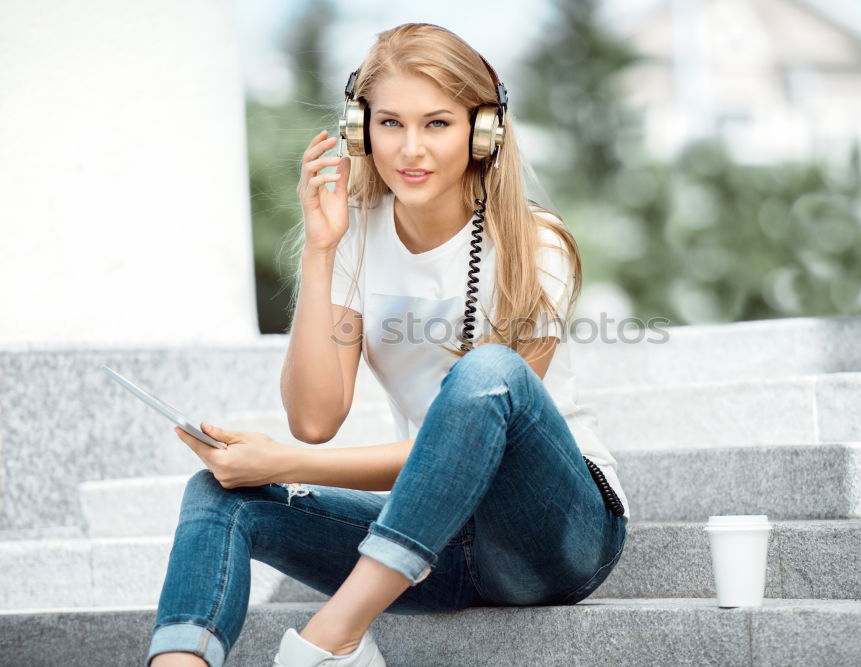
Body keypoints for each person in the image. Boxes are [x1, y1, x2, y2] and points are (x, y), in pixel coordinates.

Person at [146, 22, 630, 667]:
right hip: (437, 545)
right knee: (219, 496)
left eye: (437, 124)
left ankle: (332, 635)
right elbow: (315, 419)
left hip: (558, 536)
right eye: (391, 123)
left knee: (491, 372)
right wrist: (321, 251)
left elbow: (472, 443)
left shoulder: (535, 246)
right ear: (360, 129)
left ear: (482, 132)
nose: (410, 149)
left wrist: (284, 464)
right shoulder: (355, 238)